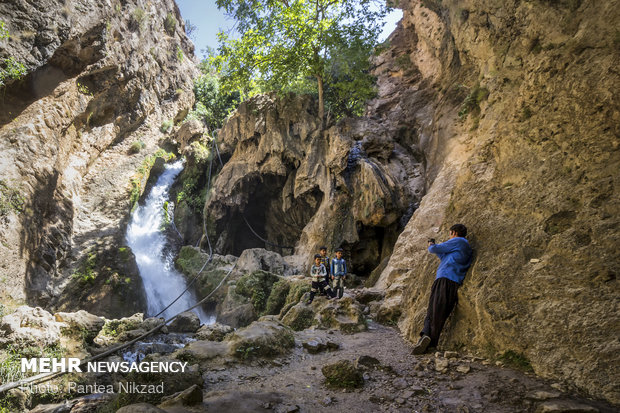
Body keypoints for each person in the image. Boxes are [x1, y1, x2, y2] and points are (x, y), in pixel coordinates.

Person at [412, 224, 472, 355]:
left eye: (450, 234)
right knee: (435, 310)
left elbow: (434, 250)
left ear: (454, 233)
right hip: (452, 281)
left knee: (435, 310)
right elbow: (444, 256)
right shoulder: (463, 248)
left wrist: (431, 244)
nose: (449, 236)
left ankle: (430, 341)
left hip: (445, 279)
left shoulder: (459, 241)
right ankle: (426, 337)